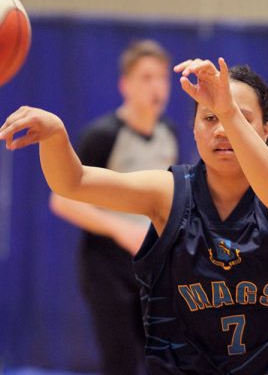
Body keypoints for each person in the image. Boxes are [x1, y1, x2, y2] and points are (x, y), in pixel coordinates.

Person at [0, 57, 268, 375]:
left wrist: (224, 108)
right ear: (194, 130)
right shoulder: (169, 192)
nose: (222, 129)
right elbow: (74, 182)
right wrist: (54, 136)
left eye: (238, 116)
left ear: (265, 130)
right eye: (209, 119)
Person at [48, 40, 178, 375]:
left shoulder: (171, 135)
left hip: (152, 265)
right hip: (107, 265)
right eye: (146, 78)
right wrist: (121, 229)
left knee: (164, 360)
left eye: (162, 78)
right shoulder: (103, 135)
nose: (157, 87)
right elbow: (61, 200)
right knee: (119, 362)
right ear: (125, 85)